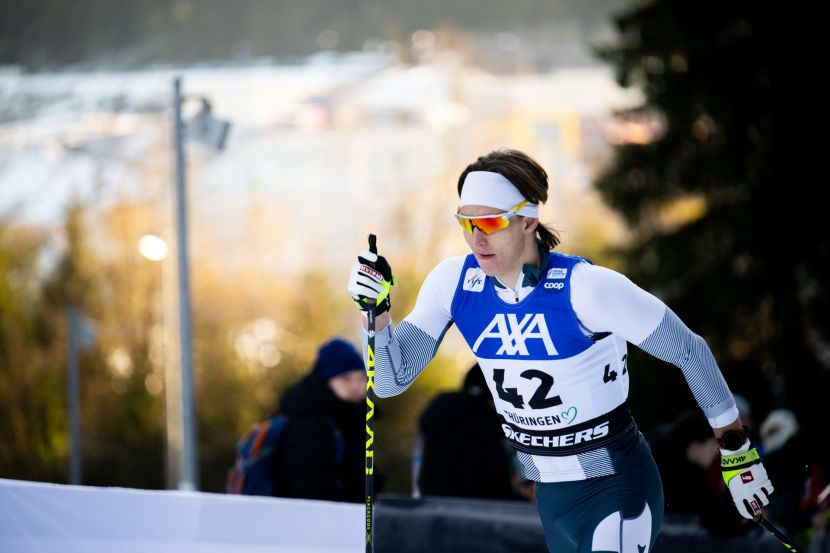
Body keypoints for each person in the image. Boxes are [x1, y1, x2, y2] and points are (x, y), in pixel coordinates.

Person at [347, 149, 776, 552]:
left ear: (529, 220)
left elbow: (689, 350)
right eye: (466, 222)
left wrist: (737, 453)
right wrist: (376, 312)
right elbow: (389, 381)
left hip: (617, 484)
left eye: (491, 223)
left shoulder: (586, 289)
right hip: (552, 497)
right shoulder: (454, 285)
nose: (476, 239)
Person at [269, 337, 367, 502]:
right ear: (326, 380)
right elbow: (311, 492)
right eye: (345, 378)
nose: (356, 386)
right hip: (307, 516)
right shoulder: (310, 426)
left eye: (361, 378)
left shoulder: (347, 418)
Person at [417, 363, 527, 501]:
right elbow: (490, 489)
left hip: (433, 507)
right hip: (474, 511)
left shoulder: (444, 416)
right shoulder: (481, 427)